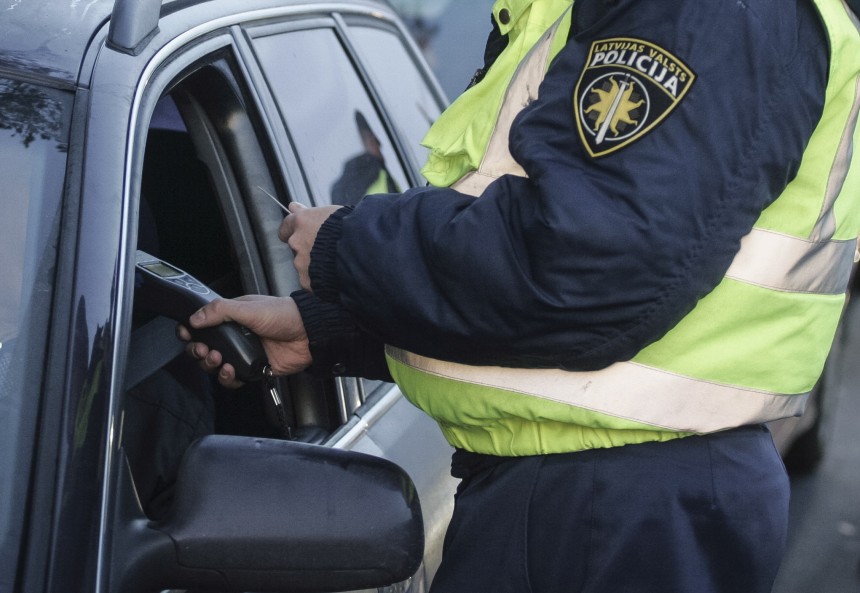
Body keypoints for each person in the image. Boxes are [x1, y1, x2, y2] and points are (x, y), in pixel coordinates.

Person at [181, 1, 860, 591]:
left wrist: (345, 246)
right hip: (601, 492)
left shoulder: (705, 13)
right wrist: (328, 330)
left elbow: (587, 271)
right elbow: (576, 274)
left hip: (607, 505)